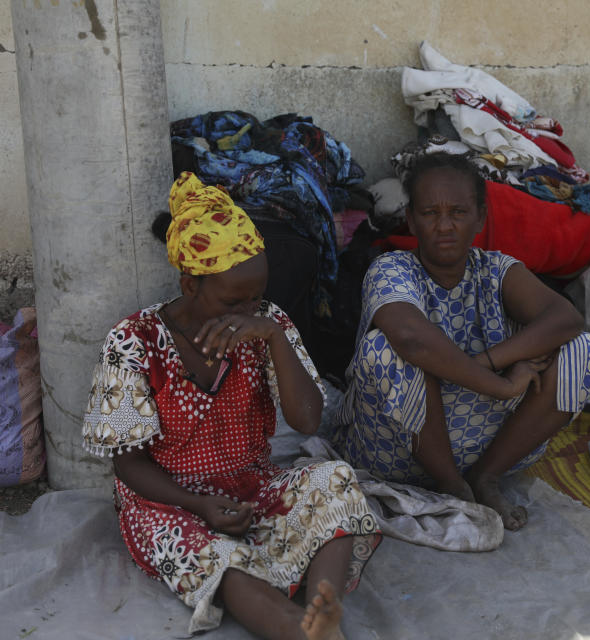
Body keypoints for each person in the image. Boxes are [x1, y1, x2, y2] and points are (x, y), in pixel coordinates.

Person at [82, 172, 380, 640]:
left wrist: (276, 337)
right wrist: (198, 504)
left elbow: (307, 421)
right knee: (214, 559)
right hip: (168, 501)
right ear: (190, 284)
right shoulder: (133, 341)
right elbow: (128, 464)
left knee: (334, 479)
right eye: (232, 299)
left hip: (250, 485)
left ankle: (326, 608)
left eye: (257, 296)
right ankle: (296, 629)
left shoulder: (266, 325)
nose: (247, 309)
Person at [333, 153, 590, 531]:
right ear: (411, 219)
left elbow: (566, 319)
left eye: (458, 213)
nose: (444, 226)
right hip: (394, 448)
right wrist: (502, 383)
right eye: (430, 213)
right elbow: (411, 338)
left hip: (482, 443)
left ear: (480, 218)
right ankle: (452, 485)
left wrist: (488, 360)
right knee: (385, 349)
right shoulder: (392, 268)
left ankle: (485, 477)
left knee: (584, 349)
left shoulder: (496, 270)